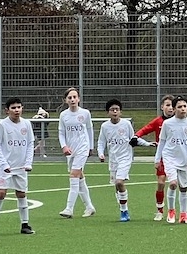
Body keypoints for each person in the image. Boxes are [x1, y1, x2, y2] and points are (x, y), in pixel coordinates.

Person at [96, 98, 151, 222]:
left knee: (119, 182)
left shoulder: (126, 124)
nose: (115, 112)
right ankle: (122, 207)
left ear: (120, 112)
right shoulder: (105, 126)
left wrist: (147, 144)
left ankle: (124, 211)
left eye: (117, 109)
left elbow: (134, 138)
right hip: (113, 160)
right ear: (108, 112)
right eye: (112, 110)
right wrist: (101, 154)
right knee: (117, 186)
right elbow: (101, 142)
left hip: (125, 158)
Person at [0, 97, 37, 236]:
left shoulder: (26, 124)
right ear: (7, 110)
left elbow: (30, 144)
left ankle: (25, 224)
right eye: (13, 108)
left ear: (22, 108)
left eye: (19, 107)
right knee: (1, 193)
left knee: (21, 193)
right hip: (6, 167)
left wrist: (28, 163)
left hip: (21, 167)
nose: (16, 110)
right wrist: (4, 163)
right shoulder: (3, 125)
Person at [155, 96, 187, 224]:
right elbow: (162, 142)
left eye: (185, 106)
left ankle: (183, 215)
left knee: (184, 188)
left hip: (184, 160)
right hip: (170, 158)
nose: (183, 109)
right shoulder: (167, 124)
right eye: (179, 107)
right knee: (173, 183)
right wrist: (157, 160)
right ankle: (171, 211)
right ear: (174, 109)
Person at [134, 95, 175, 221]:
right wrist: (136, 136)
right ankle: (160, 210)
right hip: (163, 156)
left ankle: (179, 210)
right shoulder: (158, 122)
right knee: (161, 183)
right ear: (162, 107)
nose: (170, 108)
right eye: (167, 105)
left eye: (172, 105)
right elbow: (145, 129)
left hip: (177, 156)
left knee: (178, 184)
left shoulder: (178, 122)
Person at [58, 87, 96, 219]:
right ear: (66, 100)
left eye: (75, 97)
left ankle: (69, 208)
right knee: (79, 176)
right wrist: (64, 146)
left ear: (78, 99)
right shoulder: (63, 115)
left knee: (74, 175)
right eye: (70, 98)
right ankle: (89, 206)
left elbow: (90, 130)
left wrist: (90, 147)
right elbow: (61, 132)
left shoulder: (85, 113)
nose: (72, 99)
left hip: (82, 148)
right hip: (71, 150)